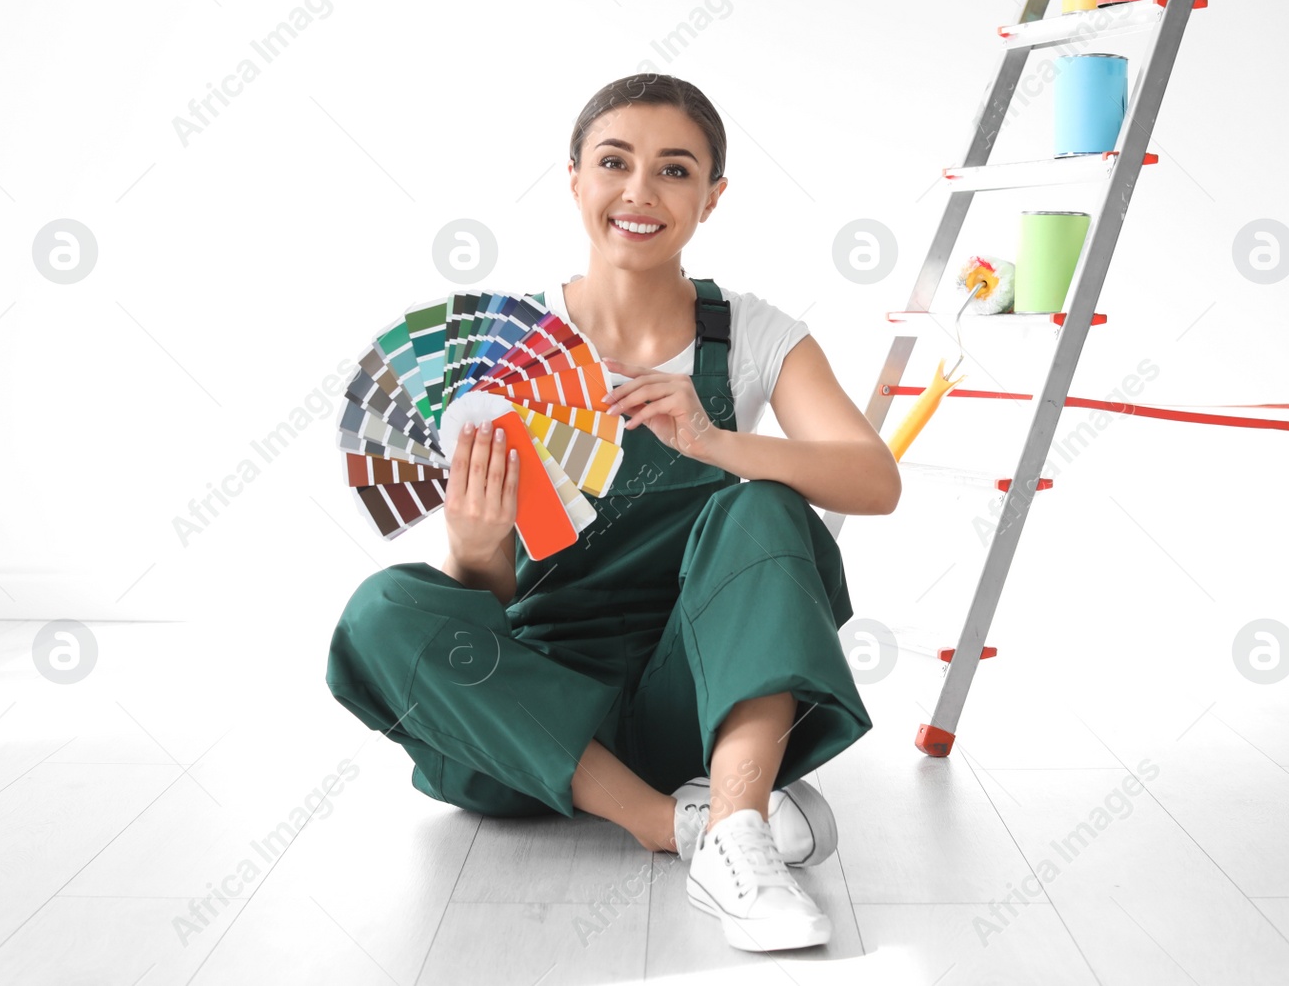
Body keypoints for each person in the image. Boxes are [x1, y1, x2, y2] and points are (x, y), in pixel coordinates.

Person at [325, 73, 902, 953]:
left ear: (712, 197)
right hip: (536, 729)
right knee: (381, 609)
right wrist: (475, 550)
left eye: (675, 170)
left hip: (696, 698)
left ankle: (738, 825)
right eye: (613, 163)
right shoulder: (504, 347)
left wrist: (714, 441)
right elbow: (480, 606)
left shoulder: (752, 332)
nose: (639, 191)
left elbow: (873, 481)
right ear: (573, 180)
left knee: (768, 504)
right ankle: (677, 826)